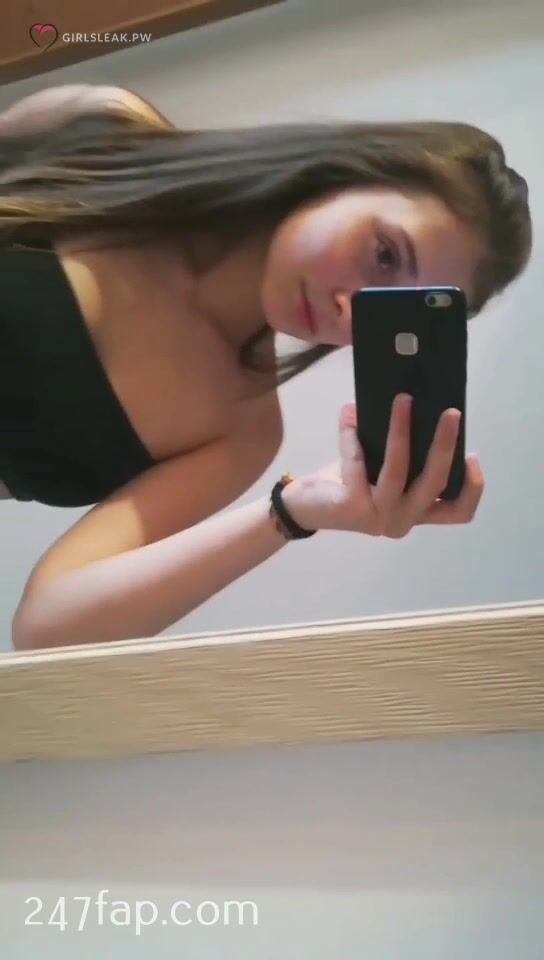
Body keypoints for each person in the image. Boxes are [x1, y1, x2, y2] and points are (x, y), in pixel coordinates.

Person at [0, 84, 532, 650]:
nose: (351, 312)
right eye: (385, 255)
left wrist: (293, 512)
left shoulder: (239, 429)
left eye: (389, 311)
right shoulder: (106, 132)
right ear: (352, 173)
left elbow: (47, 629)